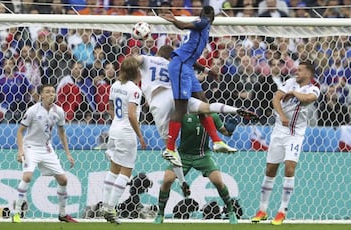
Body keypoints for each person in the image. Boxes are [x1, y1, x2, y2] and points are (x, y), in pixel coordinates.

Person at [133, 45, 258, 197]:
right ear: (171, 56)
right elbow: (190, 61)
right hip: (177, 98)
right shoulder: (176, 64)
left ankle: (182, 182)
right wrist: (206, 70)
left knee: (170, 149)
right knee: (206, 107)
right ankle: (234, 110)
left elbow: (134, 60)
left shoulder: (148, 59)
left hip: (160, 105)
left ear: (158, 53)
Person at [160, 6, 256, 172]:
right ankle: (169, 149)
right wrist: (175, 20)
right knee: (181, 108)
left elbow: (190, 53)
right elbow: (184, 26)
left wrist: (207, 70)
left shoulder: (201, 30)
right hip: (181, 66)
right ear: (212, 17)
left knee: (203, 101)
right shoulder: (203, 22)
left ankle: (217, 140)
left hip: (187, 66)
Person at [251, 61, 320, 225]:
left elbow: (308, 98)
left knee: (289, 168)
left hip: (296, 134)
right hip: (279, 130)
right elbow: (276, 99)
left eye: (301, 70)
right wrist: (281, 116)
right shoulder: (289, 82)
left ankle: (282, 211)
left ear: (308, 74)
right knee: (270, 169)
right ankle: (262, 210)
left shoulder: (314, 88)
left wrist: (294, 93)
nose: (297, 71)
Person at [153, 113, 238, 224]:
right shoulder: (183, 114)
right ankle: (160, 214)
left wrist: (230, 129)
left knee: (218, 181)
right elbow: (172, 129)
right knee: (167, 180)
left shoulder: (212, 115)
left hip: (203, 155)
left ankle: (231, 212)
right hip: (183, 156)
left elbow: (225, 132)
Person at [12, 84, 77, 223]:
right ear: (41, 94)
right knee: (28, 176)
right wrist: (21, 151)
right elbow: (20, 131)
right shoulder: (32, 111)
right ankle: (16, 213)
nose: (51, 94)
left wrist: (68, 153)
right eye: (47, 92)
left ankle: (63, 214)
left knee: (63, 180)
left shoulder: (58, 111)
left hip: (47, 149)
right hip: (31, 147)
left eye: (53, 92)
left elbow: (61, 132)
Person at [101, 57, 146, 225]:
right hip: (126, 133)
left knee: (114, 169)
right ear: (135, 71)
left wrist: (116, 122)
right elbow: (132, 115)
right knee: (125, 172)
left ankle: (105, 205)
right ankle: (111, 208)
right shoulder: (134, 90)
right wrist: (140, 136)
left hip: (114, 130)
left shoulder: (115, 85)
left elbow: (110, 108)